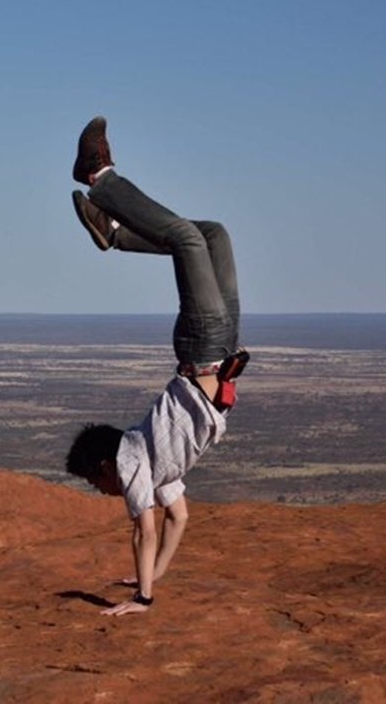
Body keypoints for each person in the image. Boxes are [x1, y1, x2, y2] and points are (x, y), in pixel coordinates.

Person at [64, 116, 249, 617]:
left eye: (94, 483)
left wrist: (142, 598)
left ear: (105, 467)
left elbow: (144, 529)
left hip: (203, 346)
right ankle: (115, 235)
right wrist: (156, 576)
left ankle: (99, 177)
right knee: (213, 235)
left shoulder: (130, 464)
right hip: (224, 348)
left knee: (188, 240)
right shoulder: (157, 467)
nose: (102, 492)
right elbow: (178, 520)